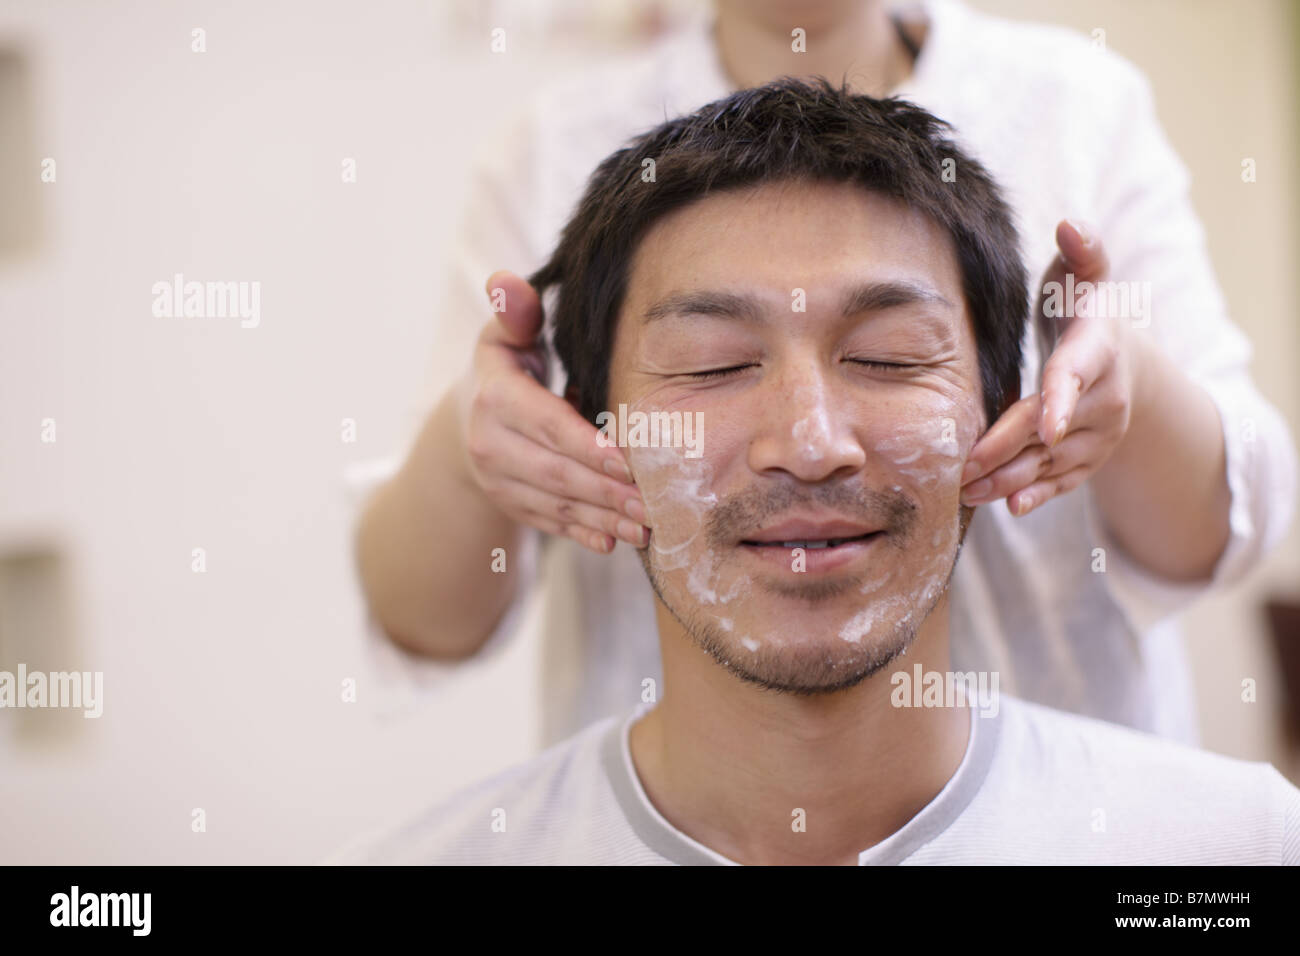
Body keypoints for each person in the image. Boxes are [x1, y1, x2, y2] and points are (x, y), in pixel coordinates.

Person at [332, 82, 1300, 864]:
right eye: (712, 364)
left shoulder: (1235, 850)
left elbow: (1222, 518)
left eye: (884, 355)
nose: (808, 440)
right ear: (586, 424)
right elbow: (419, 605)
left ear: (1005, 408)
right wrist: (466, 440)